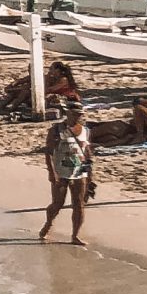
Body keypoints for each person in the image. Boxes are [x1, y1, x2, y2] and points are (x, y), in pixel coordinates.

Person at [41, 99, 92, 244]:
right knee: (58, 203)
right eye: (75, 114)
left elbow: (87, 153)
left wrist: (90, 175)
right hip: (61, 171)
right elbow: (49, 152)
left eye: (80, 114)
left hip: (79, 171)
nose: (78, 117)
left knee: (79, 204)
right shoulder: (56, 130)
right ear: (67, 113)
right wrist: (52, 172)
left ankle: (75, 235)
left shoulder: (85, 131)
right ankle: (48, 224)